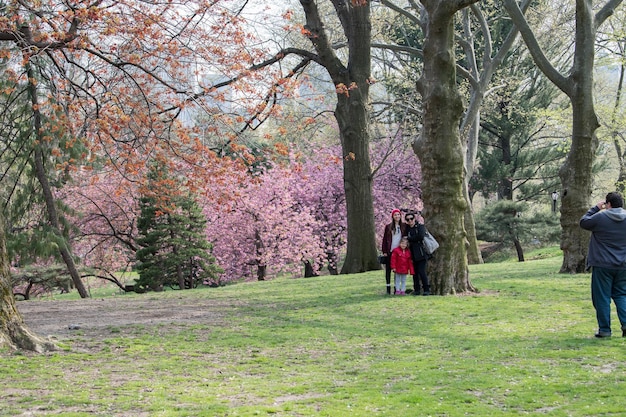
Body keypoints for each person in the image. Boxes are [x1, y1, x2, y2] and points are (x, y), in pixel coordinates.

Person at [579, 192, 626, 338]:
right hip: (623, 264)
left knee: (602, 297)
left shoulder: (601, 217)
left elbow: (583, 222)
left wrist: (596, 208)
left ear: (608, 204)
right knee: (621, 295)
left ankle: (605, 330)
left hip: (602, 264)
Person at [382, 208, 407, 295]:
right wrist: (384, 250)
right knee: (388, 269)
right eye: (395, 215)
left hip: (399, 251)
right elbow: (385, 239)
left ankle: (397, 288)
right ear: (393, 216)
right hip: (390, 251)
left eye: (398, 214)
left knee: (398, 270)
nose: (397, 216)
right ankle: (388, 287)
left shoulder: (404, 226)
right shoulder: (388, 227)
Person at [406, 211, 431, 296]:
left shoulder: (420, 226)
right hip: (412, 254)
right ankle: (416, 289)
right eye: (408, 219)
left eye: (411, 219)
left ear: (414, 219)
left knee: (422, 271)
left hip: (421, 253)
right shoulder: (408, 229)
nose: (410, 221)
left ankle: (426, 289)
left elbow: (421, 236)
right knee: (414, 273)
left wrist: (410, 239)